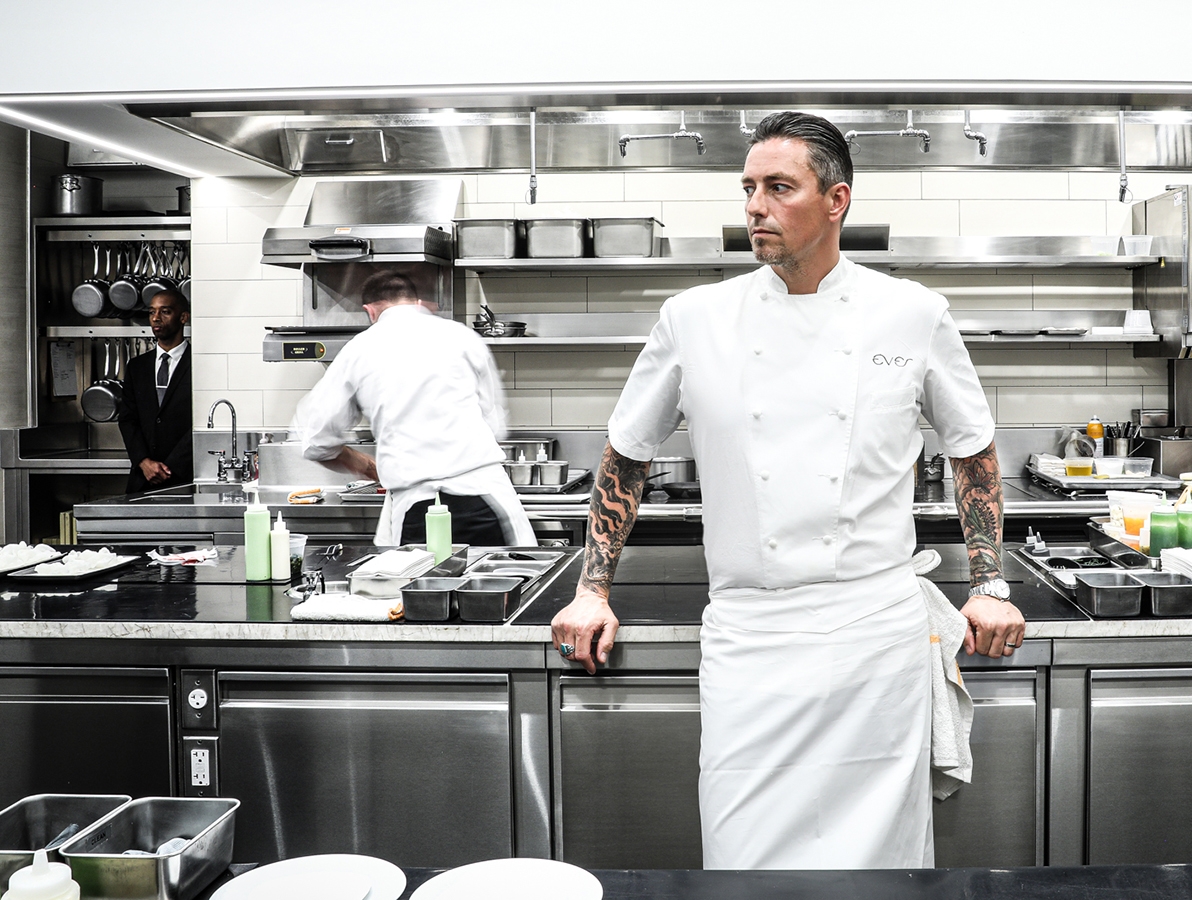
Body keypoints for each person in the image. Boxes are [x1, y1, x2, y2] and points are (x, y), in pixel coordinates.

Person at [550, 112, 1025, 869]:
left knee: (882, 867)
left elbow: (972, 453)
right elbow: (627, 456)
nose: (755, 207)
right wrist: (591, 589)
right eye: (749, 189)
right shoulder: (695, 319)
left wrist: (989, 583)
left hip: (874, 638)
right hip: (751, 638)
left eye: (779, 187)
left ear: (836, 200)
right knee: (743, 859)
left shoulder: (911, 314)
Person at [293, 270, 534, 547]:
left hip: (418, 508)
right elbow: (495, 425)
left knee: (422, 576)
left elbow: (316, 439)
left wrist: (367, 466)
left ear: (370, 311)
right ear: (416, 301)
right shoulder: (463, 337)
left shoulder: (357, 350)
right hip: (485, 499)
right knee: (503, 573)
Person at [118, 290, 192, 495]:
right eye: (152, 312)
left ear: (183, 317)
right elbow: (127, 419)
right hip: (143, 479)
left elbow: (200, 423)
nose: (156, 318)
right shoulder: (137, 367)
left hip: (184, 479)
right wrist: (144, 462)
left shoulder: (198, 365)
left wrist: (170, 468)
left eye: (165, 312)